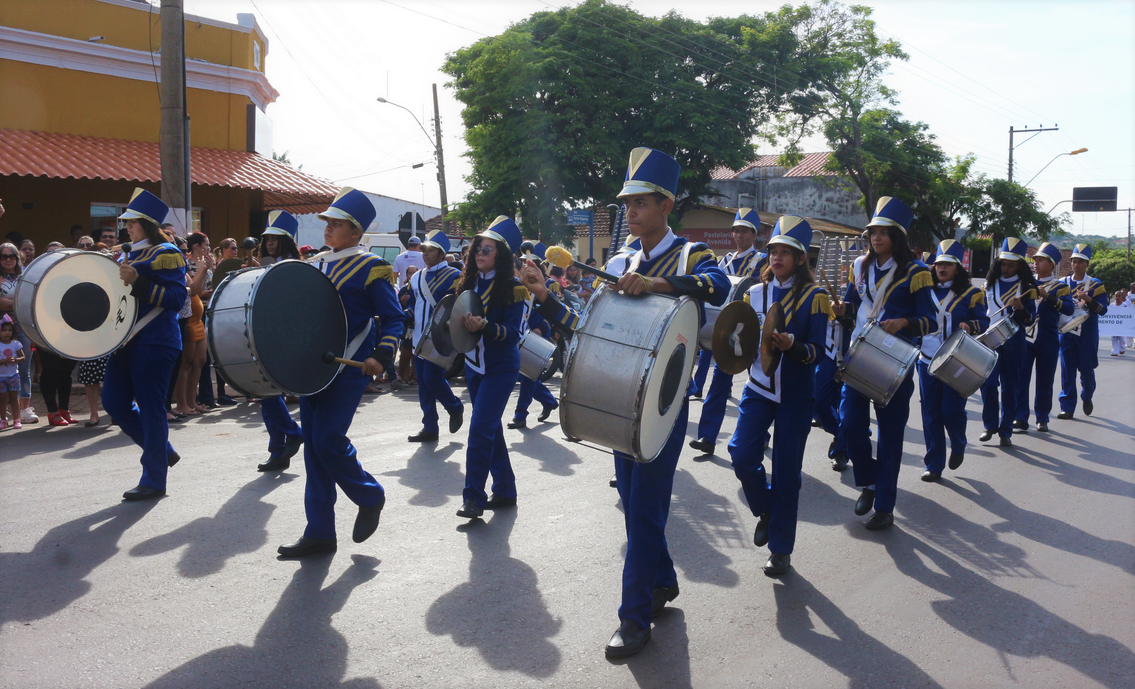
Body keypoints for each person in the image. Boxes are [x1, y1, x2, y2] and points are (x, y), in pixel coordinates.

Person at [523, 148, 727, 657]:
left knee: (646, 507)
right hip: (623, 397)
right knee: (637, 507)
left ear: (665, 206)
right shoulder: (618, 263)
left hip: (667, 404)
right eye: (627, 204)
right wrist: (544, 296)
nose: (630, 212)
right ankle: (663, 581)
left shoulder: (692, 255)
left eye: (640, 203)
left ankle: (634, 618)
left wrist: (658, 284)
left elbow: (718, 287)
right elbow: (586, 331)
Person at [276, 188, 404, 557]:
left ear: (356, 232)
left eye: (337, 223)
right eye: (328, 222)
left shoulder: (370, 267)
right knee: (314, 448)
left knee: (327, 439)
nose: (328, 228)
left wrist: (382, 355)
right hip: (313, 367)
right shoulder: (316, 263)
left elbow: (394, 318)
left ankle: (370, 494)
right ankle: (319, 532)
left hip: (350, 366)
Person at [727, 216, 831, 577]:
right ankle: (766, 510)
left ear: (801, 259)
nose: (777, 257)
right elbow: (739, 338)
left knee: (787, 472)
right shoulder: (754, 293)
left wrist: (793, 347)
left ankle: (781, 550)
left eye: (786, 252)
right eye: (774, 251)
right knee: (741, 454)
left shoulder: (816, 298)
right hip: (758, 388)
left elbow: (819, 351)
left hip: (796, 395)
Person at [832, 196, 936, 530]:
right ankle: (869, 480)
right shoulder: (860, 266)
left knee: (890, 435)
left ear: (897, 237)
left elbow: (930, 321)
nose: (875, 238)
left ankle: (885, 507)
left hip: (895, 360)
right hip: (860, 354)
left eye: (883, 232)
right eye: (872, 232)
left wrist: (904, 322)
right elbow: (852, 306)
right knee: (850, 423)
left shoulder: (916, 272)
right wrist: (841, 310)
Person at [101, 188, 188, 500]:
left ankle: (154, 479)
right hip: (125, 341)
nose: (127, 225)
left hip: (156, 340)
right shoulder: (125, 253)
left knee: (152, 410)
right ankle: (162, 451)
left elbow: (177, 299)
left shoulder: (166, 253)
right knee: (113, 402)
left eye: (133, 221)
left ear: (148, 224)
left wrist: (138, 281)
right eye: (126, 221)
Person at [453, 216, 529, 520]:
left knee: (480, 429)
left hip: (500, 368)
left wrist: (485, 326)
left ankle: (473, 497)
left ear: (501, 255)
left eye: (487, 249)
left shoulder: (514, 288)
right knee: (490, 429)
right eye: (477, 249)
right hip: (474, 367)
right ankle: (506, 490)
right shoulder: (467, 283)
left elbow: (512, 335)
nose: (480, 254)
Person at [689, 207, 766, 455]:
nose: (738, 235)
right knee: (719, 383)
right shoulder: (724, 261)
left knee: (757, 384)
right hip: (726, 330)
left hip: (752, 331)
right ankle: (708, 437)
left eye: (744, 231)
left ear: (753, 234)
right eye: (736, 231)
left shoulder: (762, 261)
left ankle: (761, 432)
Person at [915, 240, 988, 480]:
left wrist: (970, 325)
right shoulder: (923, 291)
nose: (942, 268)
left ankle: (958, 442)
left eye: (948, 264)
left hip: (956, 360)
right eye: (939, 264)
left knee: (952, 411)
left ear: (958, 268)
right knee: (930, 413)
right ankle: (934, 464)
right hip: (927, 360)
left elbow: (984, 322)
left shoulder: (972, 294)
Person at [254, 211, 307, 472]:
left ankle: (291, 434)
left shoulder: (295, 265)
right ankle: (278, 451)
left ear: (285, 240)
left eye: (275, 239)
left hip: (285, 335)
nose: (270, 243)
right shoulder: (263, 263)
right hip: (264, 331)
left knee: (269, 392)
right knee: (266, 393)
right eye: (267, 239)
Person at [406, 229, 464, 442]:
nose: (425, 254)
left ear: (441, 254)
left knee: (432, 377)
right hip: (418, 337)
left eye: (431, 250)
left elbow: (458, 306)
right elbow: (412, 302)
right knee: (423, 383)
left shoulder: (454, 276)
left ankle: (454, 406)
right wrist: (405, 314)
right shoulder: (417, 277)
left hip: (439, 338)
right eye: (424, 250)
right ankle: (430, 427)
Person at [979, 238, 1038, 447]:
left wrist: (1021, 308)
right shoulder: (989, 284)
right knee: (988, 383)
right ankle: (989, 425)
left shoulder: (1027, 287)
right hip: (991, 340)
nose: (1006, 268)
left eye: (1011, 265)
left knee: (1010, 387)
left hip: (1015, 341)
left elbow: (1030, 319)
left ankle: (1005, 430)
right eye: (1003, 264)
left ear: (1019, 265)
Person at [1015, 242, 1074, 432]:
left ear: (1051, 264)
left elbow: (1069, 309)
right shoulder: (1026, 283)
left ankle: (1042, 418)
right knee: (1021, 379)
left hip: (1048, 339)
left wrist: (1049, 296)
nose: (1036, 263)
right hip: (1025, 339)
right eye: (1035, 260)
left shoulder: (1061, 286)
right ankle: (1020, 417)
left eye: (1041, 260)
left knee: (1045, 381)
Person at [509, 247, 559, 430]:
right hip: (520, 333)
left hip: (537, 334)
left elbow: (551, 312)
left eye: (529, 264)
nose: (525, 267)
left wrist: (541, 328)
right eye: (523, 264)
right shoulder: (517, 284)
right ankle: (549, 401)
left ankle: (520, 415)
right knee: (524, 374)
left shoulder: (547, 285)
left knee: (527, 377)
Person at [1058, 244, 1109, 418]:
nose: (1076, 265)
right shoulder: (1062, 283)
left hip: (1087, 333)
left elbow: (1103, 310)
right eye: (1074, 261)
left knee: (1087, 369)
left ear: (1087, 264)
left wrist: (1089, 299)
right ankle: (1067, 407)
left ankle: (1087, 396)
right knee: (1067, 370)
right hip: (1066, 333)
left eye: (1080, 262)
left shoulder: (1095, 284)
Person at [173, 232, 214, 416]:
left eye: (184, 251)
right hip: (187, 318)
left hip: (197, 319)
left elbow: (196, 286)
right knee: (185, 363)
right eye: (182, 251)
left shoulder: (185, 267)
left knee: (200, 361)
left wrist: (204, 268)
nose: (185, 253)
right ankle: (182, 404)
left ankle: (192, 402)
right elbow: (194, 290)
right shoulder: (182, 266)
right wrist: (201, 268)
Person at [0, 241, 37, 425]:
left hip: (23, 326)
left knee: (24, 368)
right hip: (2, 329)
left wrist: (9, 303)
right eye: (4, 256)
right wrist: (17, 302)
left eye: (12, 256)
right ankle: (2, 412)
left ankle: (24, 409)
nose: (8, 260)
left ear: (17, 258)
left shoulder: (26, 276)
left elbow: (32, 300)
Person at [0, 314, 24, 430]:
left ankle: (16, 419)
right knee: (2, 399)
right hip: (1, 377)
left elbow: (22, 357)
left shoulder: (16, 344)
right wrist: (4, 361)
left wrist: (15, 359)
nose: (7, 333)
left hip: (14, 376)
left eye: (9, 330)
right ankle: (3, 420)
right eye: (4, 330)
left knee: (14, 399)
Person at [1111, 290, 1128, 356]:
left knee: (1122, 338)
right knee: (1114, 338)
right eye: (1116, 296)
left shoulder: (1125, 305)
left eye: (1119, 296)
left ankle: (1122, 349)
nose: (1117, 297)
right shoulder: (1112, 305)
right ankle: (1115, 352)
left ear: (1122, 297)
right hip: (1114, 324)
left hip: (1122, 325)